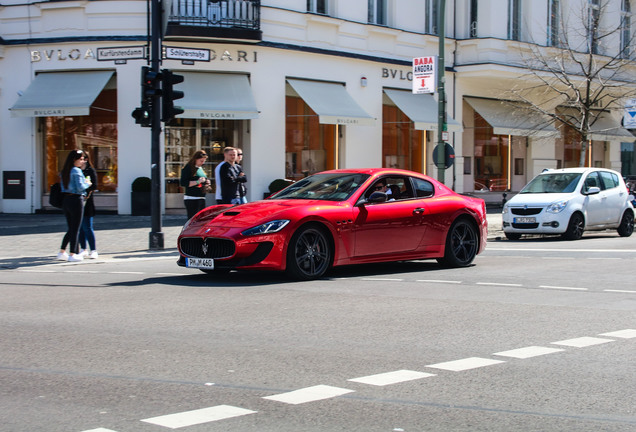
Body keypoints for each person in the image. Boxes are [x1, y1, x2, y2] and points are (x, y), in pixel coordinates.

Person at [57, 150, 91, 262]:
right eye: (80, 159)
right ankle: (72, 254)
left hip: (66, 200)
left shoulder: (64, 171)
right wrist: (88, 184)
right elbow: (81, 187)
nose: (82, 161)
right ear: (74, 159)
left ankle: (62, 252)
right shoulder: (76, 171)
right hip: (76, 200)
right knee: (75, 228)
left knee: (71, 228)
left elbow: (62, 187)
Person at [78, 152, 99, 259]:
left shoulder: (90, 170)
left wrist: (86, 186)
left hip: (87, 201)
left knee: (88, 227)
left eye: (81, 158)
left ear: (85, 159)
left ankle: (93, 250)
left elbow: (95, 185)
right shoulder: (76, 171)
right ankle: (83, 249)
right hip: (78, 201)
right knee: (80, 227)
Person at [180, 150, 210, 219]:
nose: (202, 163)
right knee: (193, 219)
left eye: (204, 161)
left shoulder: (200, 168)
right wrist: (198, 181)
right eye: (201, 161)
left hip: (201, 197)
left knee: (201, 220)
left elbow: (202, 179)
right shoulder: (188, 167)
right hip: (192, 198)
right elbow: (183, 183)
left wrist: (206, 182)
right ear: (196, 159)